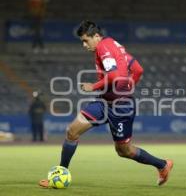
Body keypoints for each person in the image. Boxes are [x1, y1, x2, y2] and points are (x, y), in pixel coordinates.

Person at [39, 20, 173, 188]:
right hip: (104, 102)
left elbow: (115, 74)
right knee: (72, 131)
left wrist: (93, 86)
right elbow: (138, 69)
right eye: (82, 41)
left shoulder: (104, 47)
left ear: (96, 36)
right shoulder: (115, 46)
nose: (84, 45)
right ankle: (59, 175)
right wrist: (129, 85)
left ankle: (162, 164)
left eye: (86, 40)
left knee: (125, 151)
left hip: (121, 107)